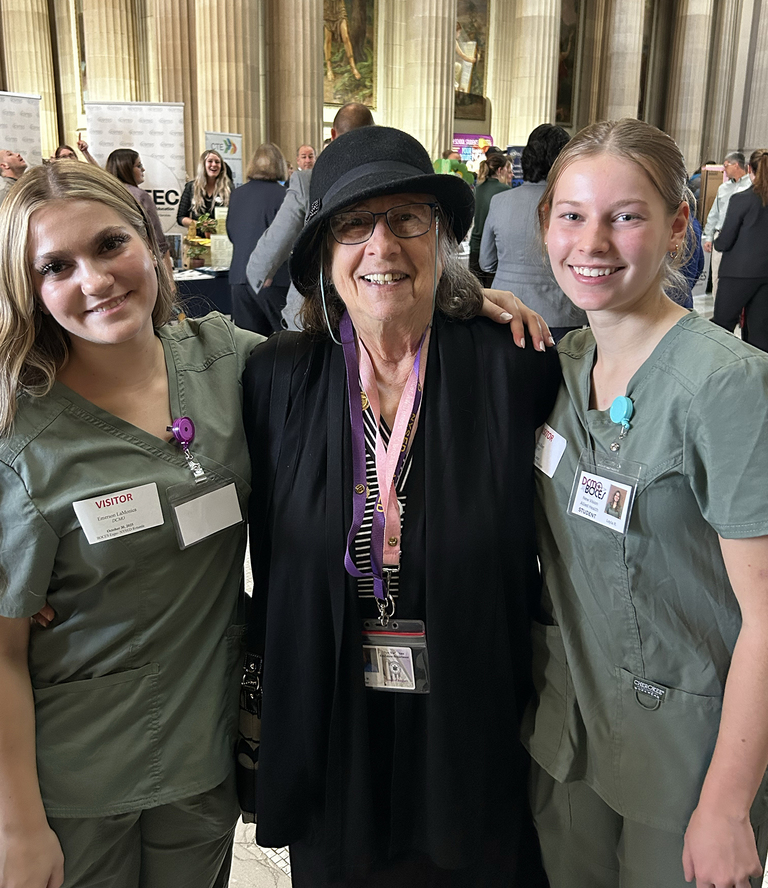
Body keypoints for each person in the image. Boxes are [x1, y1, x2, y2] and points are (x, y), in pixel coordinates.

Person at [242, 125, 561, 887]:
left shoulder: (512, 369)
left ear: (442, 237)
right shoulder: (276, 380)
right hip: (332, 717)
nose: (381, 247)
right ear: (325, 252)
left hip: (467, 714)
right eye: (354, 225)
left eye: (407, 219)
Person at [0, 161, 262, 888]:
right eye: (57, 266)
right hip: (71, 785)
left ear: (151, 242)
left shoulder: (231, 364)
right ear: (30, 289)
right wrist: (15, 826)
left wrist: (463, 300)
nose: (95, 279)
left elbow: (362, 356)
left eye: (110, 244)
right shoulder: (21, 436)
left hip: (200, 758)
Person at [525, 118, 768, 888]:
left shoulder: (727, 385)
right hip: (571, 738)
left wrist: (727, 807)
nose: (591, 242)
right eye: (572, 215)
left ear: (676, 228)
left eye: (625, 216)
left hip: (689, 761)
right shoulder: (560, 365)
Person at [246, 103, 375, 331]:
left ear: (333, 135)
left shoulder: (308, 181)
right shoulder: (386, 181)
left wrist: (259, 273)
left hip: (314, 312)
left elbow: (278, 238)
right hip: (371, 310)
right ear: (373, 132)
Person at [480, 124, 586, 342]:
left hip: (507, 311)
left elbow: (486, 262)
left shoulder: (500, 202)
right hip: (561, 313)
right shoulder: (574, 207)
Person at [227, 143, 289, 335]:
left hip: (239, 278)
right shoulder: (285, 195)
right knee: (284, 345)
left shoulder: (237, 195)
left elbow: (231, 232)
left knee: (248, 345)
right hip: (273, 279)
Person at [713, 147, 768, 351]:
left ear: (749, 169)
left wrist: (717, 242)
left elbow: (726, 240)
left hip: (738, 272)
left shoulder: (742, 199)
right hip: (765, 274)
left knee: (723, 324)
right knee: (760, 331)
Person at [105, 147, 173, 276]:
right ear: (125, 168)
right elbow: (158, 240)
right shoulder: (140, 196)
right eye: (139, 165)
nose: (143, 169)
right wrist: (169, 277)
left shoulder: (104, 195)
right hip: (143, 266)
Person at [702, 151, 751, 297]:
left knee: (738, 276)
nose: (724, 169)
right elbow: (714, 213)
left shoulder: (752, 187)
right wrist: (709, 236)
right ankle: (719, 311)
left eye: (726, 165)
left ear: (736, 165)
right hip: (721, 234)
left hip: (742, 238)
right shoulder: (723, 188)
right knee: (716, 274)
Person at [469, 152, 511, 284]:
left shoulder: (477, 189)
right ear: (500, 170)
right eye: (507, 170)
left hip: (475, 246)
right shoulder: (505, 191)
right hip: (495, 249)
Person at [177, 149, 232, 228]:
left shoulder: (228, 188)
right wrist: (200, 224)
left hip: (221, 238)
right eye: (210, 161)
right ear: (203, 165)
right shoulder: (191, 187)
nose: (214, 165)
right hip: (198, 238)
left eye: (217, 162)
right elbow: (181, 218)